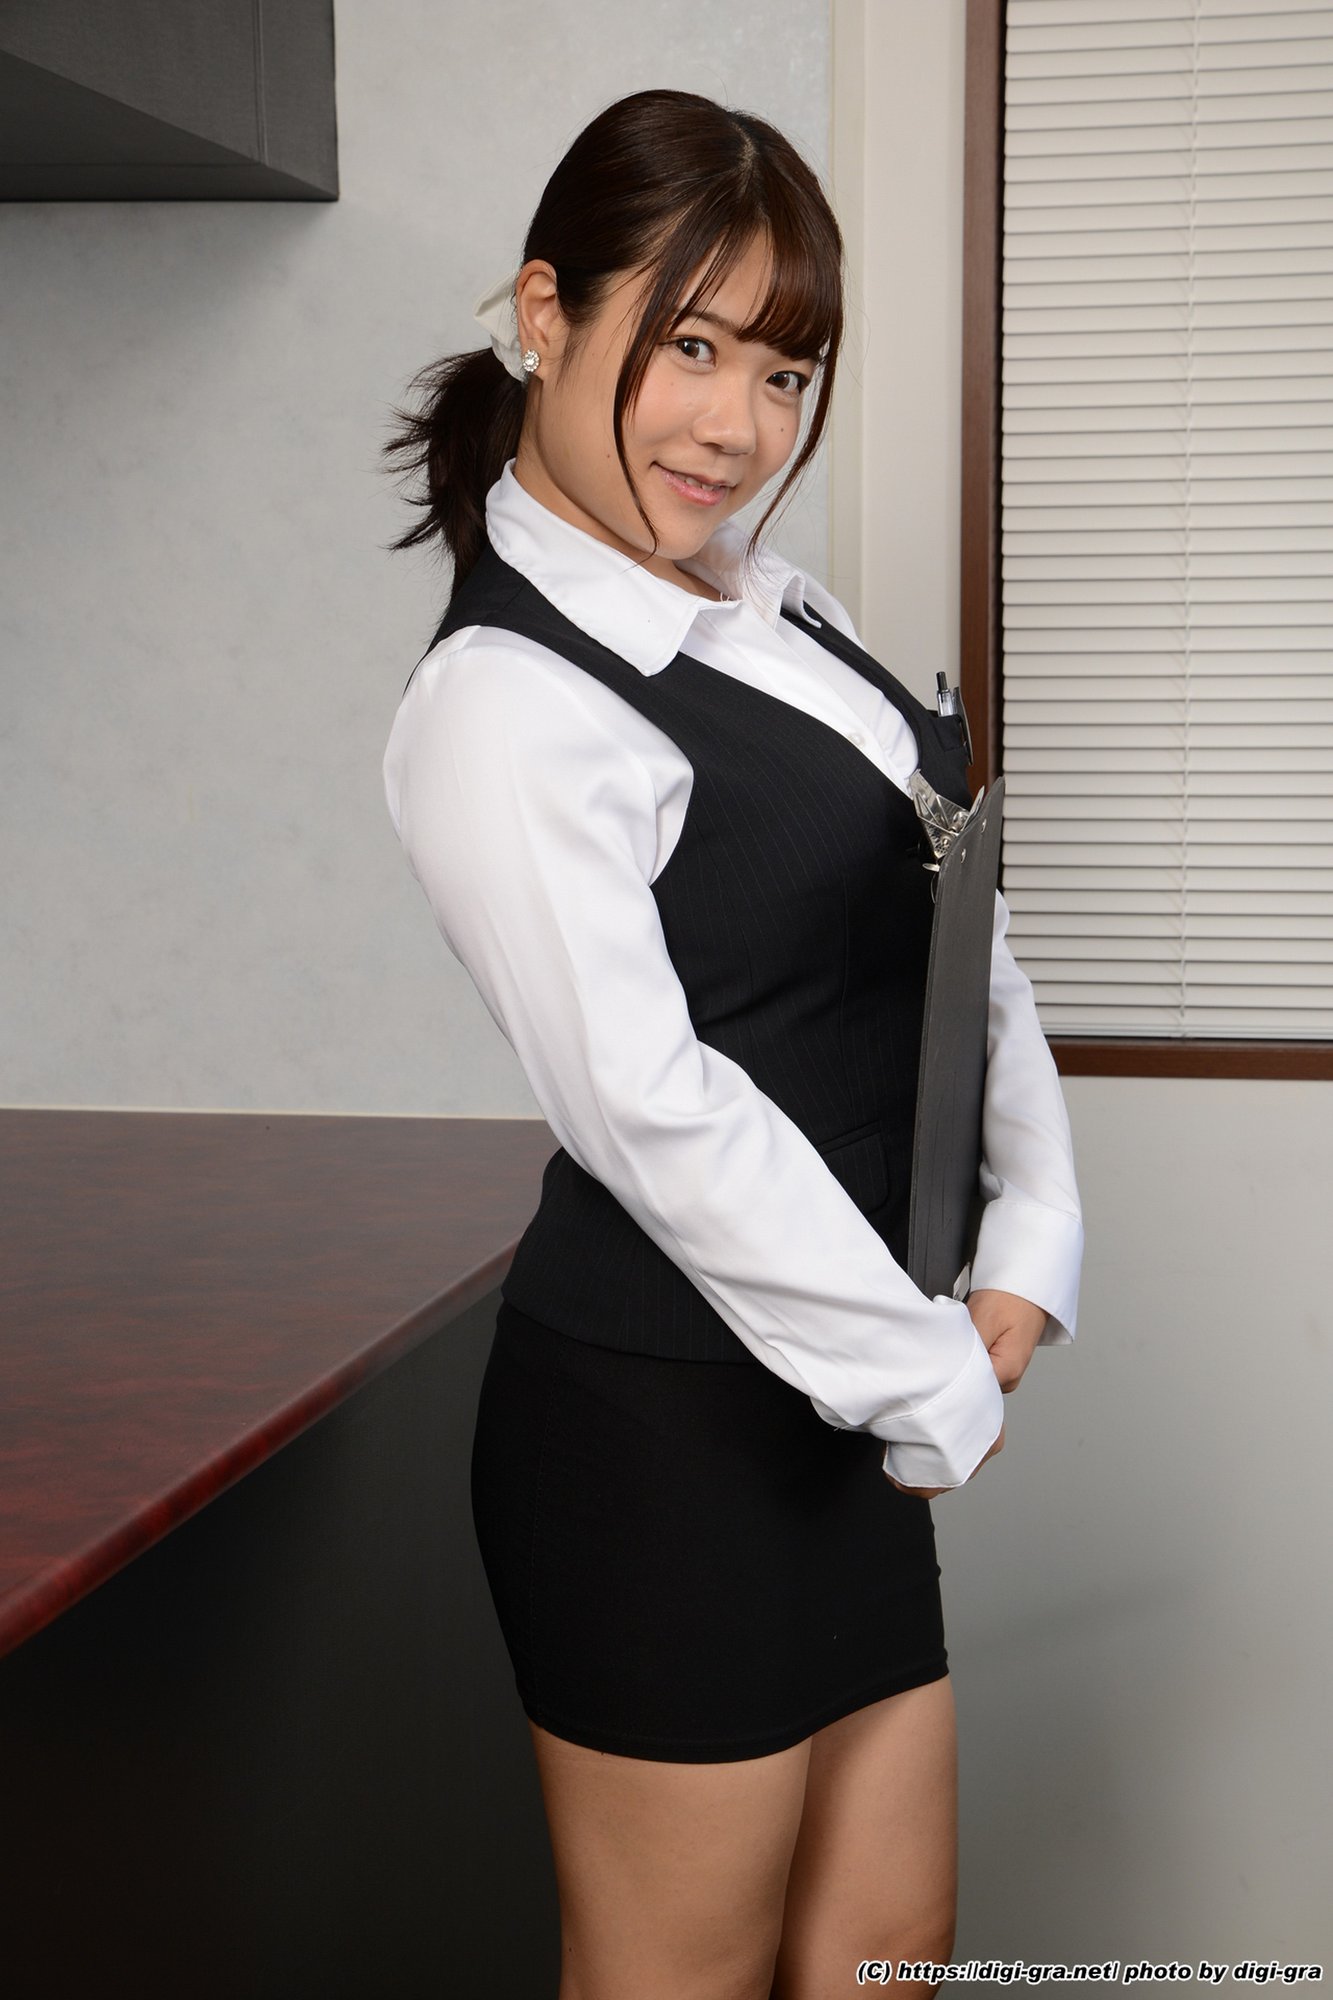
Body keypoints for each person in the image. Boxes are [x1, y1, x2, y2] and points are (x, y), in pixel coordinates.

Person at [380, 87, 1083, 2000]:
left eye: (782, 374)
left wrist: (1029, 1241)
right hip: (660, 1436)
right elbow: (654, 1113)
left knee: (890, 1956)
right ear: (546, 312)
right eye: (686, 347)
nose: (737, 426)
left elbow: (955, 930)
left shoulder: (779, 609)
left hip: (836, 1407)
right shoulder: (503, 704)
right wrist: (924, 1374)